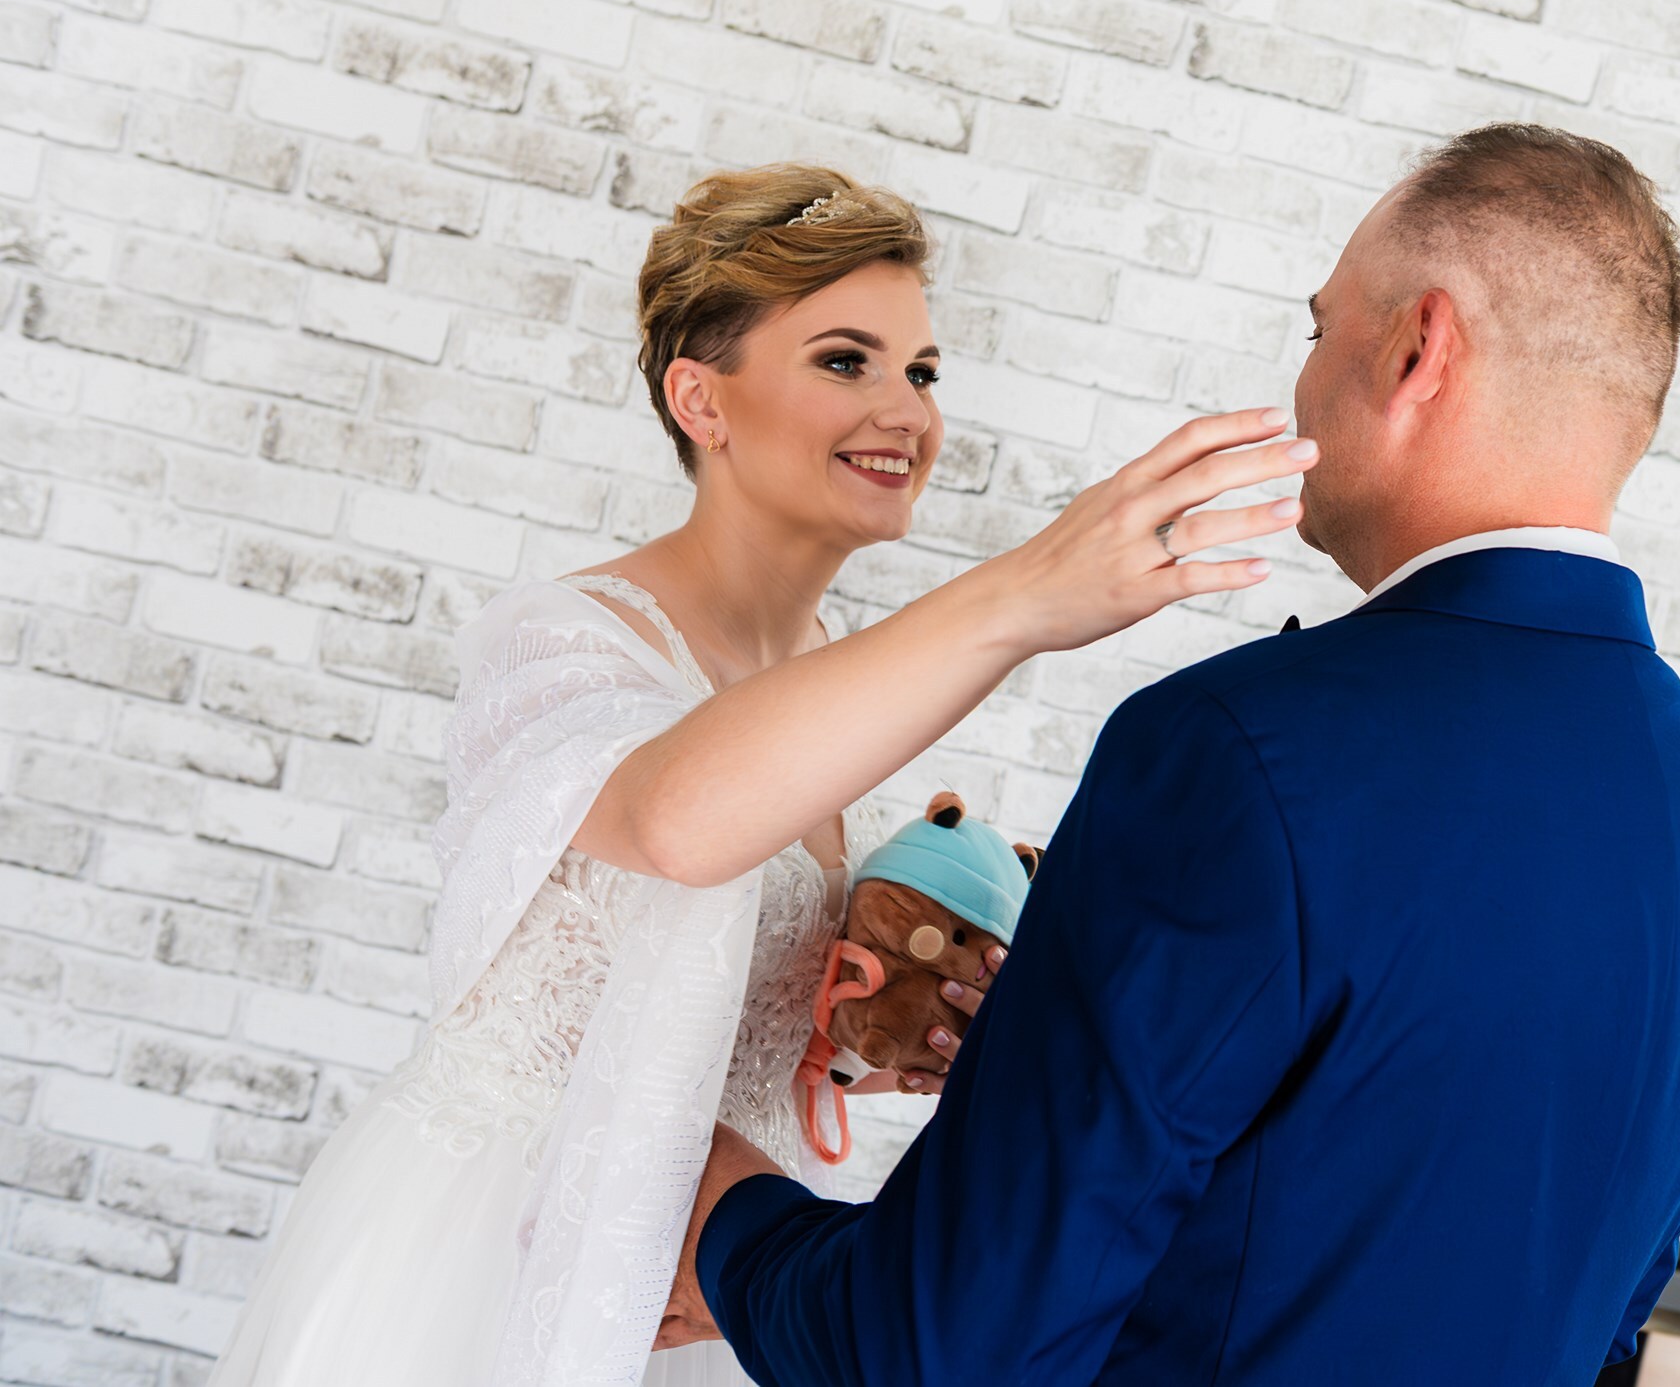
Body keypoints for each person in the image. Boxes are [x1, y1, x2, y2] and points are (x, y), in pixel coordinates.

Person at [666, 124, 1680, 1385]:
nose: (1303, 379)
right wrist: (1053, 1053)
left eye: (1318, 331)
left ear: (1417, 351)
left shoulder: (1240, 753)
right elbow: (1587, 1311)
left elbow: (943, 1349)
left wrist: (725, 1220)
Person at [204, 164, 1311, 1387]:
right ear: (700, 399)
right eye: (847, 362)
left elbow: (713, 1011)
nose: (906, 412)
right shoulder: (560, 641)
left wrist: (881, 1032)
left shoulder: (835, 673)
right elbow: (677, 822)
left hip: (703, 1266)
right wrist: (1024, 593)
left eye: (921, 372)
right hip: (489, 1256)